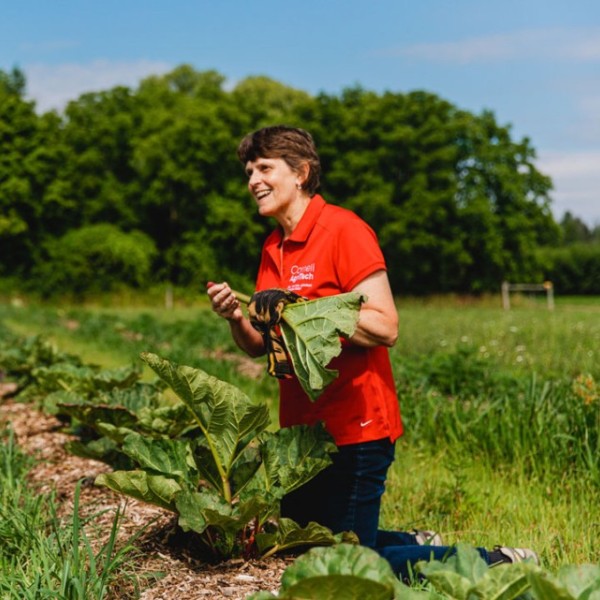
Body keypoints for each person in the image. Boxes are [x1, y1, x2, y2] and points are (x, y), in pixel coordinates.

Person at [207, 125, 538, 580]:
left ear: (301, 173)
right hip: (304, 432)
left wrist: (303, 307)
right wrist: (236, 319)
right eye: (249, 171)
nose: (253, 181)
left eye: (265, 168)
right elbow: (262, 346)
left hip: (357, 427)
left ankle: (495, 563)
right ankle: (410, 542)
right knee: (302, 549)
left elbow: (386, 326)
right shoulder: (272, 247)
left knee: (348, 569)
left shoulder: (343, 230)